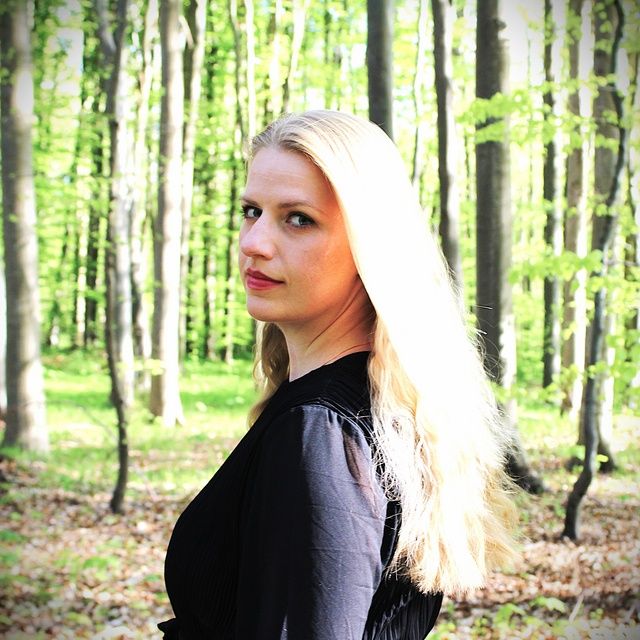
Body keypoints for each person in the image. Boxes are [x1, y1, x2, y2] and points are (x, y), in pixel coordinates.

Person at [158, 110, 518, 639]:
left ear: (368, 246)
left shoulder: (323, 434)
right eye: (251, 211)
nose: (254, 242)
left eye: (298, 219)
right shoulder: (370, 408)